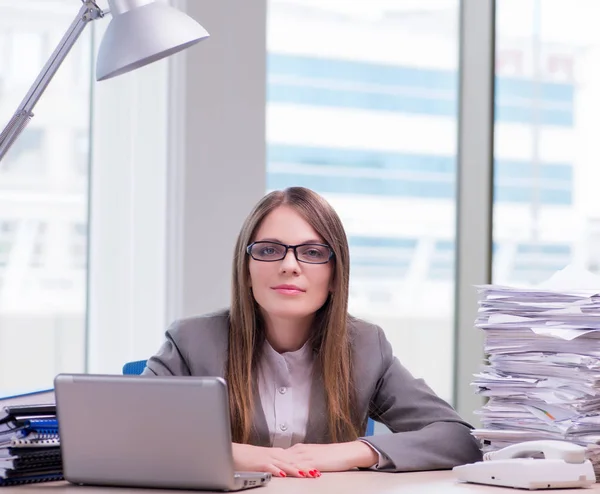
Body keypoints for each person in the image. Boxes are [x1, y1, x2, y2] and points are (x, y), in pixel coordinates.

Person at [142, 186, 482, 478]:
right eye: (269, 250)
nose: (289, 265)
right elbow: (134, 432)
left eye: (312, 253)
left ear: (335, 276)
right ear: (246, 270)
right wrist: (235, 453)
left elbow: (458, 439)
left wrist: (353, 451)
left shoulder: (365, 347)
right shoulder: (191, 341)